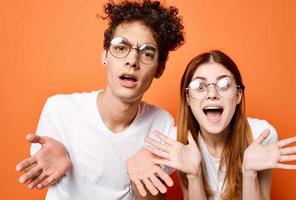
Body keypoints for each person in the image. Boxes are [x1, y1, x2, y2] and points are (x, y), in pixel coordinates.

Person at [15, 0, 184, 199]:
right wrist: (50, 167)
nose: (132, 61)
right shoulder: (59, 110)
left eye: (147, 53)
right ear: (104, 56)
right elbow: (38, 168)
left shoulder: (161, 125)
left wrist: (143, 173)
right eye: (121, 48)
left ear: (160, 68)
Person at [144, 50, 296, 200]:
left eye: (224, 84)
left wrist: (249, 173)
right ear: (188, 99)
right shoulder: (179, 140)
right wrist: (194, 175)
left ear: (238, 95)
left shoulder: (260, 135)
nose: (212, 94)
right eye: (199, 86)